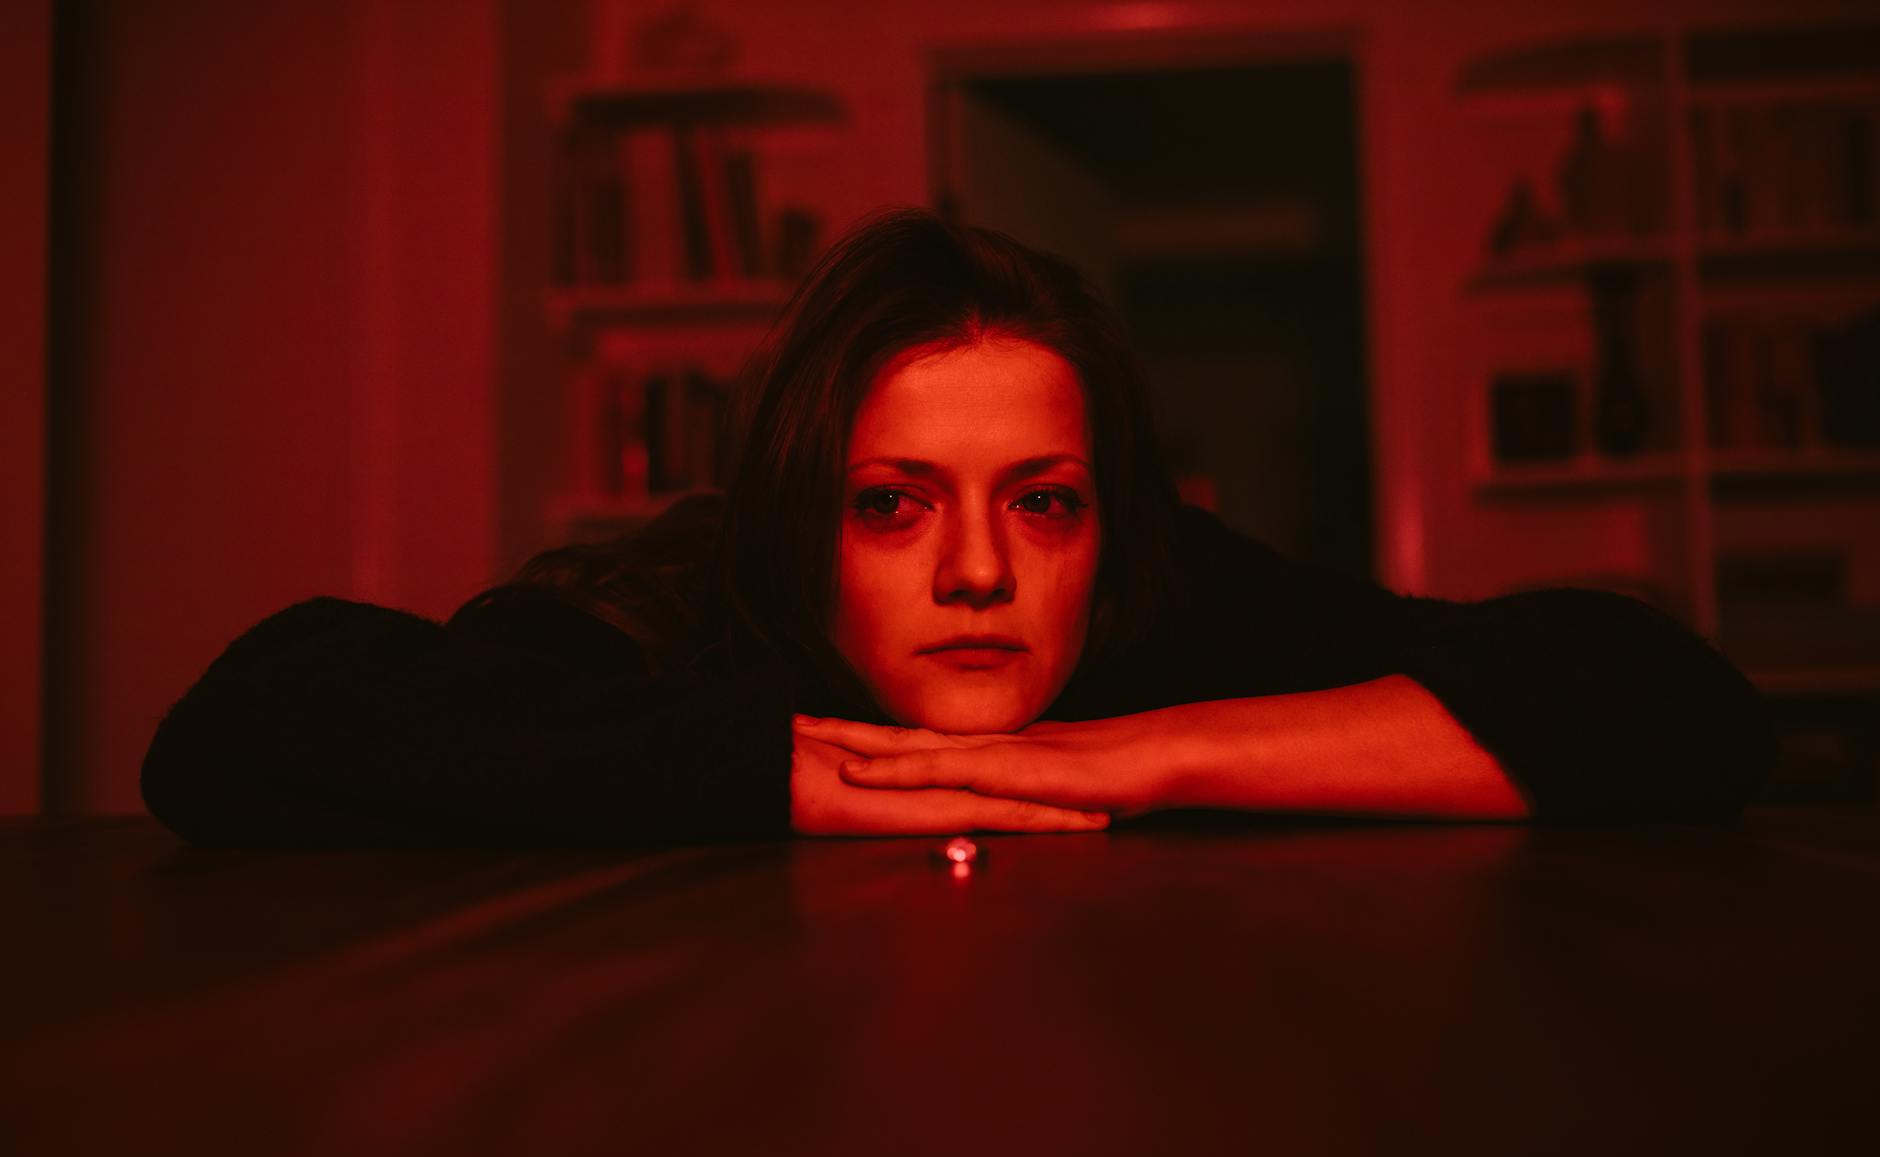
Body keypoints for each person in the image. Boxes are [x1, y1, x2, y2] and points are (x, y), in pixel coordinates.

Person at [141, 209, 1771, 846]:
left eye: (1042, 502)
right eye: (891, 504)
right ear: (802, 524)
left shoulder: (1159, 599)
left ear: (1102, 521)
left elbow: (1665, 696)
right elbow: (253, 718)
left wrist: (1134, 754)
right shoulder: (680, 599)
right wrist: (787, 771)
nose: (982, 570)